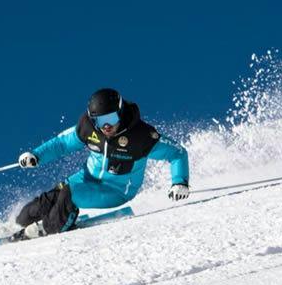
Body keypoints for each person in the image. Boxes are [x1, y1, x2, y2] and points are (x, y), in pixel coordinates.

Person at [11, 88, 190, 239]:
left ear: (120, 112)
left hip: (116, 190)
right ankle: (18, 224)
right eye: (100, 121)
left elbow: (177, 153)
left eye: (111, 119)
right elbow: (63, 144)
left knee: (69, 195)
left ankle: (48, 229)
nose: (106, 126)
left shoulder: (140, 136)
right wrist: (36, 155)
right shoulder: (89, 128)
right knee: (47, 200)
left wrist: (179, 182)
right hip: (88, 178)